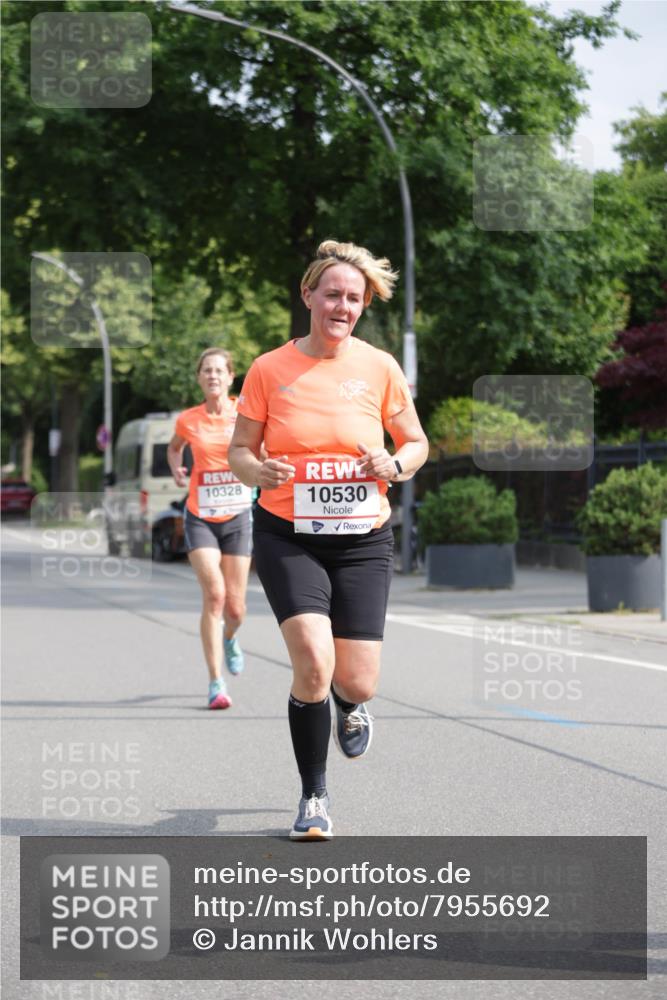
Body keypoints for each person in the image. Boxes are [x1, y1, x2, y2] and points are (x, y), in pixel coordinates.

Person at [228, 239, 428, 839]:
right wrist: (257, 472)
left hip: (363, 539)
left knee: (357, 680)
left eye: (354, 298)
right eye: (333, 294)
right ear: (309, 295)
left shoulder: (380, 367)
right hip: (289, 535)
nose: (343, 306)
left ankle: (351, 703)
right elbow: (240, 450)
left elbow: (415, 443)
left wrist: (394, 464)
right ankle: (314, 796)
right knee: (314, 663)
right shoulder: (269, 369)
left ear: (363, 306)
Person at [167, 348, 252, 710]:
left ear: (231, 377)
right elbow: (175, 449)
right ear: (199, 378)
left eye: (219, 370)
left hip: (237, 517)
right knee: (214, 595)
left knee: (236, 609)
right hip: (200, 515)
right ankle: (216, 683)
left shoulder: (245, 413)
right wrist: (176, 468)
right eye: (207, 370)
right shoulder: (188, 419)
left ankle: (230, 637)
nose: (213, 376)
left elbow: (263, 448)